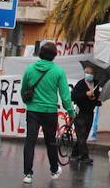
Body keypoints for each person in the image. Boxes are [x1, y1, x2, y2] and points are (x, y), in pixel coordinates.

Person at [20, 42, 75, 183]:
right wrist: (70, 111)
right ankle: (54, 169)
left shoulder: (30, 69)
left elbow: (23, 89)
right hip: (50, 111)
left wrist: (28, 103)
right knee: (50, 141)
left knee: (30, 141)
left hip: (32, 111)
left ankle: (27, 174)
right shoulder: (58, 71)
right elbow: (65, 96)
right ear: (54, 55)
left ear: (40, 54)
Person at [70, 63, 102, 165]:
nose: (88, 74)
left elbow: (98, 99)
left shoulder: (96, 84)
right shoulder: (80, 84)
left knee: (83, 136)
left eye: (90, 73)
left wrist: (94, 98)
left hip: (90, 113)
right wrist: (85, 94)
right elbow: (74, 97)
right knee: (81, 134)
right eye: (86, 72)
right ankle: (84, 156)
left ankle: (74, 154)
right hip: (80, 113)